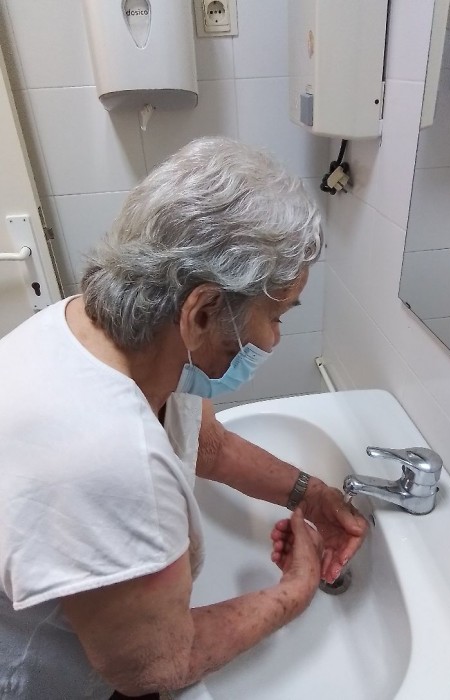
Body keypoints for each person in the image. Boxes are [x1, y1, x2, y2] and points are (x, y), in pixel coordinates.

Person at [0, 137, 367, 699]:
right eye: (275, 316)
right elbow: (156, 667)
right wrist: (296, 589)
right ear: (201, 312)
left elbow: (208, 445)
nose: (274, 338)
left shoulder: (93, 329)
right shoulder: (112, 457)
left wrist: (311, 495)